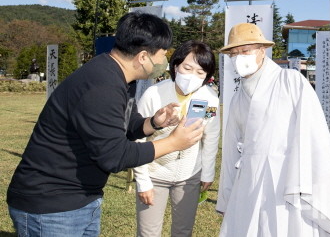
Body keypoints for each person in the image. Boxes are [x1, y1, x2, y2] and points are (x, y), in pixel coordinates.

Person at [7, 12, 204, 237]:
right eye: (162, 55)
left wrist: (154, 123)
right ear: (142, 57)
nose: (163, 62)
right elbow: (115, 156)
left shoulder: (119, 77)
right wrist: (173, 143)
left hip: (81, 198)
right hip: (52, 205)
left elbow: (127, 125)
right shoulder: (102, 84)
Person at [216, 23, 330, 237]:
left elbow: (313, 134)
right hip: (248, 180)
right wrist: (226, 198)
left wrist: (310, 180)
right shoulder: (237, 99)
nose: (238, 57)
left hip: (287, 177)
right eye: (233, 53)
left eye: (245, 51)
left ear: (262, 50)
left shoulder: (291, 81)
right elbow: (231, 151)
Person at [134, 40, 220, 237]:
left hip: (189, 176)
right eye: (187, 68)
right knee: (148, 232)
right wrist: (143, 181)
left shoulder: (210, 99)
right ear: (175, 66)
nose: (192, 76)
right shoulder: (154, 93)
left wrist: (207, 173)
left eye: (200, 72)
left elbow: (211, 137)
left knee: (183, 231)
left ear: (207, 75)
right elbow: (137, 139)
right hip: (154, 174)